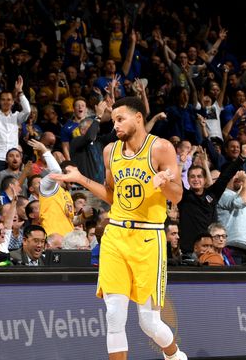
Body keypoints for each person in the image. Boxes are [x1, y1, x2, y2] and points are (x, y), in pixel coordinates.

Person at [49, 96, 187, 360]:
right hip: (115, 234)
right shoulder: (110, 151)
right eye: (113, 121)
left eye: (120, 119)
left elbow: (178, 195)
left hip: (148, 237)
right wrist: (81, 179)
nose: (115, 126)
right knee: (113, 315)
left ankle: (173, 355)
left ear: (138, 118)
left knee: (148, 323)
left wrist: (163, 183)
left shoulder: (161, 148)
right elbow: (113, 196)